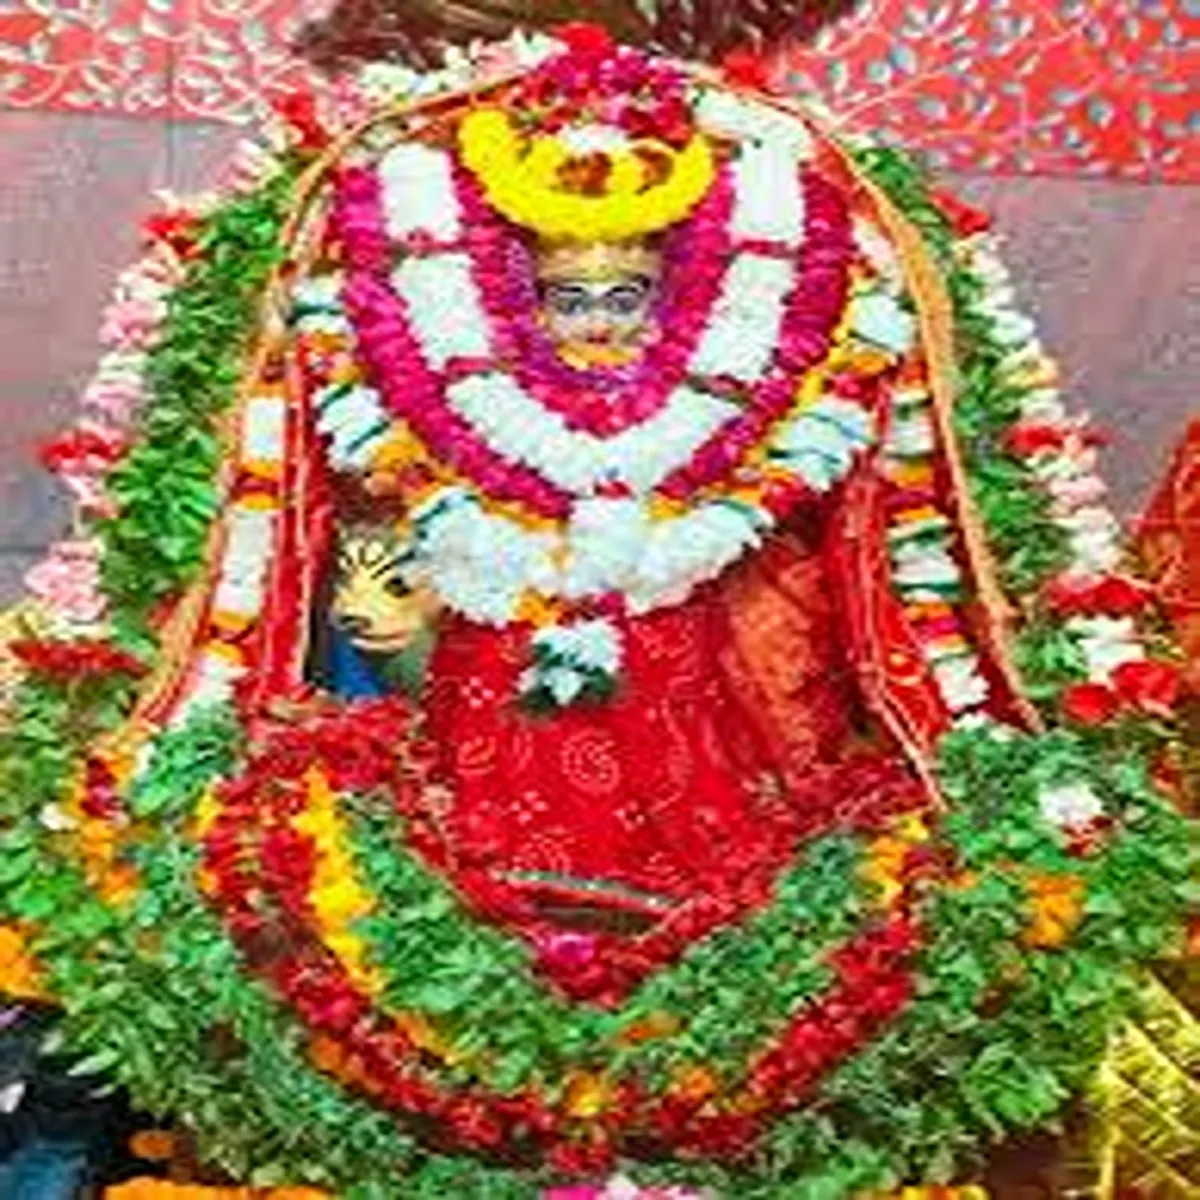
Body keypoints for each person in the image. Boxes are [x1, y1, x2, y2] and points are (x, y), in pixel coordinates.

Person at [0, 9, 1191, 1198]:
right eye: (575, 302)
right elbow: (361, 528)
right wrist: (408, 616)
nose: (602, 323)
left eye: (626, 298)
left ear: (668, 301)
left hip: (684, 686)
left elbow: (809, 546)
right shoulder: (464, 404)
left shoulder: (723, 407)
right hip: (484, 680)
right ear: (526, 305)